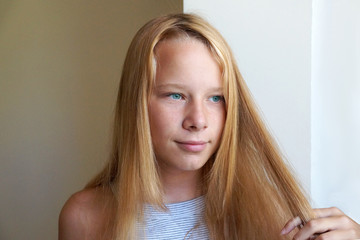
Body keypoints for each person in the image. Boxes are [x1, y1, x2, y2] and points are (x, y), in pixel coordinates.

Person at [59, 13, 360, 240]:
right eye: (175, 95)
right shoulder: (85, 217)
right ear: (135, 103)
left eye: (216, 98)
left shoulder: (267, 208)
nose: (198, 120)